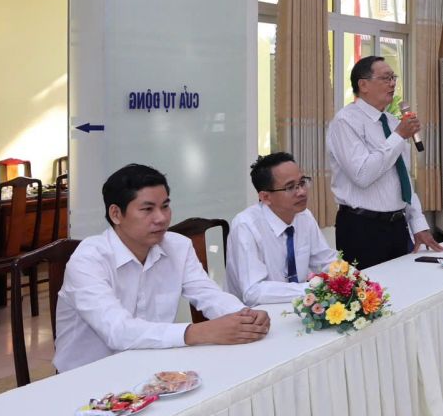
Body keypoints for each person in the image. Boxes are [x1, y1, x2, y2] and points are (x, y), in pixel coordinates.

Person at [54, 164, 269, 373]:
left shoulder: (178, 246)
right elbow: (117, 331)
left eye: (165, 206)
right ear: (116, 214)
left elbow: (208, 294)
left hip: (154, 365)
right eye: (147, 209)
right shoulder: (88, 260)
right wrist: (198, 332)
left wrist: (244, 316)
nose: (162, 218)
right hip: (89, 377)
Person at [326, 56, 443, 269]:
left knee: (405, 286)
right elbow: (362, 175)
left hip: (397, 225)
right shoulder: (345, 122)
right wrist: (398, 136)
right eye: (386, 78)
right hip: (361, 227)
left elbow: (403, 178)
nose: (392, 84)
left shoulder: (391, 122)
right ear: (363, 85)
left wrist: (418, 223)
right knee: (368, 289)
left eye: (393, 78)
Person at [226, 152, 339, 304]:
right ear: (265, 197)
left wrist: (352, 279)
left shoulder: (304, 216)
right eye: (290, 187)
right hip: (252, 312)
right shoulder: (245, 225)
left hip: (299, 305)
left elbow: (325, 260)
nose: (302, 192)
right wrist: (311, 289)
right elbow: (253, 292)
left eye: (302, 182)